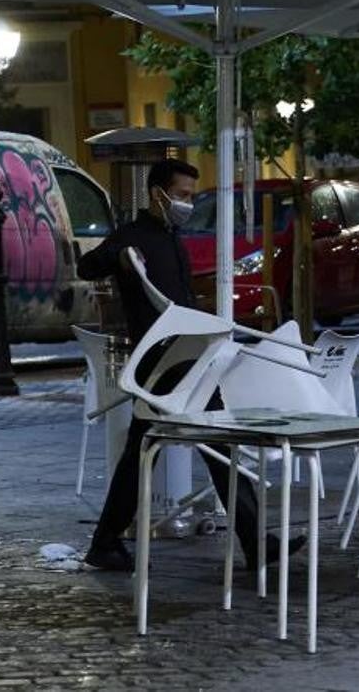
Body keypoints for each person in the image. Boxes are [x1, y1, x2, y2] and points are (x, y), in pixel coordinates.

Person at [77, 158, 299, 571]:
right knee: (204, 445)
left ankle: (107, 541)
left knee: (159, 450)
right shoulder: (133, 237)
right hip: (164, 364)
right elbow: (88, 266)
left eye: (190, 196)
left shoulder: (172, 237)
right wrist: (121, 258)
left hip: (184, 360)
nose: (187, 203)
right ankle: (254, 542)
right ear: (157, 193)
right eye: (181, 195)